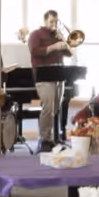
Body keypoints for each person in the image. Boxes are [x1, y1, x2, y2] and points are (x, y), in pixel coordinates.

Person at [28, 9, 74, 149]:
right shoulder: (36, 34)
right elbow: (34, 51)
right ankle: (44, 139)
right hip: (43, 74)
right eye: (51, 21)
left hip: (58, 73)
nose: (54, 24)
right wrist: (54, 46)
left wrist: (65, 43)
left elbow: (69, 54)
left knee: (55, 108)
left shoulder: (58, 36)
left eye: (56, 21)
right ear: (45, 21)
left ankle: (54, 138)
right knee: (48, 107)